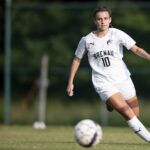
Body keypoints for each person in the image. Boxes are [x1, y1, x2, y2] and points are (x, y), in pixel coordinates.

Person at [66, 6, 150, 142]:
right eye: (99, 19)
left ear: (110, 20)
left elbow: (135, 49)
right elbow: (77, 59)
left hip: (123, 79)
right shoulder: (86, 40)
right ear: (95, 21)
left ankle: (110, 104)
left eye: (105, 18)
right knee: (127, 113)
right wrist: (70, 82)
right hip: (103, 82)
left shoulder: (117, 34)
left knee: (135, 114)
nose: (103, 21)